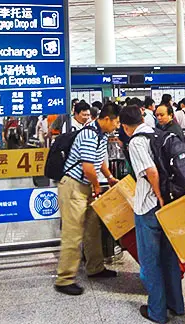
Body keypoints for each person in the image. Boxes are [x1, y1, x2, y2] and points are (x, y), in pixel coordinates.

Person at [120, 106, 185, 323]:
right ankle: (177, 305)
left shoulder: (136, 142)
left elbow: (151, 172)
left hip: (149, 207)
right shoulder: (158, 133)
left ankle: (157, 312)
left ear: (125, 126)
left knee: (150, 262)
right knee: (169, 257)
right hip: (169, 206)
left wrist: (159, 196)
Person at [54, 103, 121, 296]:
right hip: (73, 186)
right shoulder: (89, 134)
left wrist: (109, 177)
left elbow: (99, 161)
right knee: (73, 233)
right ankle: (64, 279)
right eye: (116, 121)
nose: (117, 125)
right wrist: (97, 186)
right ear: (107, 119)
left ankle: (95, 268)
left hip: (87, 185)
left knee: (93, 228)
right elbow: (88, 167)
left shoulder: (102, 134)